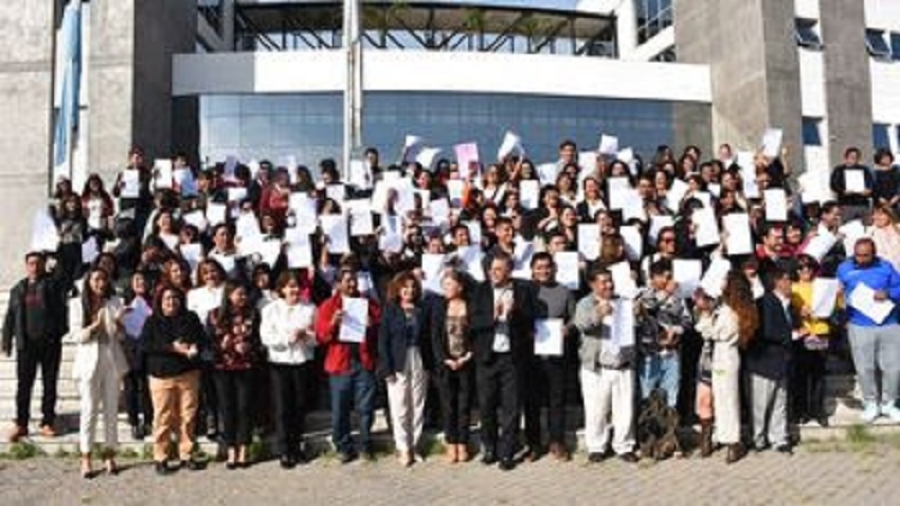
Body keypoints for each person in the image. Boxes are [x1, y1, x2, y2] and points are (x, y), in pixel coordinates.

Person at [470, 253, 535, 471]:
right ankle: (490, 448)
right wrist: (493, 316)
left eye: (499, 269)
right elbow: (472, 322)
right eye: (492, 268)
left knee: (511, 407)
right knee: (486, 405)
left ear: (509, 271)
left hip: (512, 357)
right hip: (487, 357)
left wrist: (515, 312)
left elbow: (530, 321)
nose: (494, 272)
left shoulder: (522, 290)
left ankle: (507, 452)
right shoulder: (479, 291)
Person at [315, 267, 381, 463]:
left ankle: (365, 444)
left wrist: (372, 326)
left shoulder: (367, 303)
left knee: (366, 408)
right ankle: (343, 446)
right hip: (340, 364)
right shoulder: (328, 305)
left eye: (354, 280)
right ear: (337, 284)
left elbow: (381, 330)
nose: (352, 284)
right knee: (339, 410)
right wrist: (332, 323)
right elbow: (321, 337)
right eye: (347, 281)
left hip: (363, 361)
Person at [573, 267, 639, 464]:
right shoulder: (585, 303)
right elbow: (581, 324)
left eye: (610, 281)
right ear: (592, 284)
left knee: (624, 409)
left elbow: (636, 326)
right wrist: (598, 314)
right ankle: (596, 447)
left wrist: (638, 314)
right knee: (596, 410)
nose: (608, 285)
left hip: (622, 364)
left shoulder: (623, 301)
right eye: (603, 282)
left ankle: (624, 445)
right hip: (597, 367)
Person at [140, 287, 209, 475]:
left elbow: (202, 338)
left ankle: (186, 454)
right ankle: (161, 457)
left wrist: (195, 347)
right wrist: (172, 348)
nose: (171, 302)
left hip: (188, 373)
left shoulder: (190, 318)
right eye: (167, 298)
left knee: (188, 416)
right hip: (161, 376)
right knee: (162, 417)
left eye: (175, 298)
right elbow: (145, 345)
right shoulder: (152, 321)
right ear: (160, 302)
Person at [2, 251, 69, 442]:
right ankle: (21, 423)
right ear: (26, 266)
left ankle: (47, 421)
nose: (35, 266)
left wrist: (55, 255)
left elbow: (64, 275)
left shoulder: (53, 284)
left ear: (44, 265)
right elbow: (10, 316)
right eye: (31, 263)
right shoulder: (18, 289)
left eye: (39, 263)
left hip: (49, 343)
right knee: (24, 385)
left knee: (50, 384)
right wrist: (6, 340)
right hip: (26, 344)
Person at [694, 271, 758, 464]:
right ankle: (726, 439)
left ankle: (732, 443)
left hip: (724, 356)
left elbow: (713, 333)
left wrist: (705, 316)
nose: (720, 282)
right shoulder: (730, 308)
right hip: (722, 356)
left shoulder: (730, 312)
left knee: (727, 400)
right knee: (722, 399)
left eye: (724, 280)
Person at [71, 267, 129, 478]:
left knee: (111, 411)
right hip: (88, 362)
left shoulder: (115, 302)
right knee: (89, 410)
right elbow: (76, 336)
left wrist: (119, 324)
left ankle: (109, 455)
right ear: (88, 281)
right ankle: (86, 457)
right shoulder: (77, 304)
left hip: (111, 360)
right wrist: (95, 325)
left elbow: (120, 336)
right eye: (96, 279)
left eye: (103, 279)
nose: (100, 283)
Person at [837, 237, 900, 423]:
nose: (861, 259)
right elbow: (837, 291)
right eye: (858, 255)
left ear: (874, 254)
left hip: (889, 323)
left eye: (865, 255)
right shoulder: (844, 268)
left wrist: (888, 293)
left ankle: (889, 404)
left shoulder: (886, 266)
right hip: (859, 324)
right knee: (864, 367)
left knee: (893, 367)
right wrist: (839, 297)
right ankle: (871, 403)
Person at [260, 270, 318, 468]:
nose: (295, 290)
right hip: (280, 363)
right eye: (291, 286)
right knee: (282, 408)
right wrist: (287, 339)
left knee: (300, 406)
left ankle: (297, 446)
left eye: (297, 286)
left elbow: (317, 338)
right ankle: (284, 450)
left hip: (301, 362)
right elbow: (266, 337)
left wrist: (306, 337)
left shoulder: (310, 308)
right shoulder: (270, 309)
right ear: (282, 288)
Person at [524, 252, 576, 462]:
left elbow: (574, 317)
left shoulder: (564, 291)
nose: (543, 271)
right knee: (532, 402)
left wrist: (568, 328)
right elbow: (517, 318)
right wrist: (526, 331)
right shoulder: (525, 291)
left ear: (554, 268)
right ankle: (534, 444)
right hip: (531, 356)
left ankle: (557, 442)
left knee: (557, 400)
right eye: (539, 267)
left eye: (547, 266)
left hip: (556, 354)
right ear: (532, 270)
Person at [378, 271, 431, 467]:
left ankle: (414, 445)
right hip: (398, 361)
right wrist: (387, 369)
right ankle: (403, 447)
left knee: (417, 404)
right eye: (405, 287)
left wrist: (429, 365)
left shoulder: (421, 309)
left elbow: (428, 338)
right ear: (398, 289)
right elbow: (383, 341)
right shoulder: (390, 310)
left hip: (419, 358)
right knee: (399, 405)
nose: (410, 290)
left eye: (413, 286)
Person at [745, 266, 799, 454]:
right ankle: (757, 438)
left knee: (779, 402)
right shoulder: (765, 302)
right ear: (778, 282)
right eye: (788, 279)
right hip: (764, 362)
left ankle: (779, 438)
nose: (791, 283)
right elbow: (767, 331)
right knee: (760, 404)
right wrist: (793, 335)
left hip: (781, 361)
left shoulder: (788, 304)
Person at [208, 281, 261, 469]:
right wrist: (222, 346)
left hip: (246, 366)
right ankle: (231, 448)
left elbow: (259, 340)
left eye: (244, 294)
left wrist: (249, 347)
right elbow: (208, 343)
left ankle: (244, 447)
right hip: (223, 368)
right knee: (227, 408)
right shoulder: (215, 315)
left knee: (245, 407)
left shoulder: (253, 314)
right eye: (239, 294)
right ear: (229, 295)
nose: (242, 298)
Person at [430, 270, 475, 464]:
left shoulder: (470, 305)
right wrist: (445, 359)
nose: (446, 288)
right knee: (448, 405)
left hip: (466, 362)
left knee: (464, 405)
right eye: (444, 285)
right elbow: (434, 337)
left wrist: (468, 356)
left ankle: (463, 443)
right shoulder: (439, 307)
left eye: (449, 284)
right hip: (446, 364)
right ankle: (451, 443)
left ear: (460, 287)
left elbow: (476, 335)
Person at [635, 259, 691, 408]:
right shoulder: (642, 293)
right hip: (649, 355)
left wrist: (676, 331)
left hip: (671, 354)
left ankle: (669, 422)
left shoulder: (678, 297)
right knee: (647, 398)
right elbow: (648, 307)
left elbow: (687, 320)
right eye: (663, 277)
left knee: (671, 400)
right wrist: (666, 293)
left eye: (669, 276)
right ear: (653, 277)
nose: (667, 280)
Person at [791, 255, 832, 426]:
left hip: (820, 332)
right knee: (800, 374)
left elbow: (834, 307)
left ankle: (818, 410)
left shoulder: (822, 286)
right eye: (801, 267)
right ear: (796, 270)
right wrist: (798, 312)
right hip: (802, 334)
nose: (805, 270)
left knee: (818, 374)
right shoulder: (792, 287)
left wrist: (837, 295)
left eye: (809, 267)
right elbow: (786, 310)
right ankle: (800, 411)